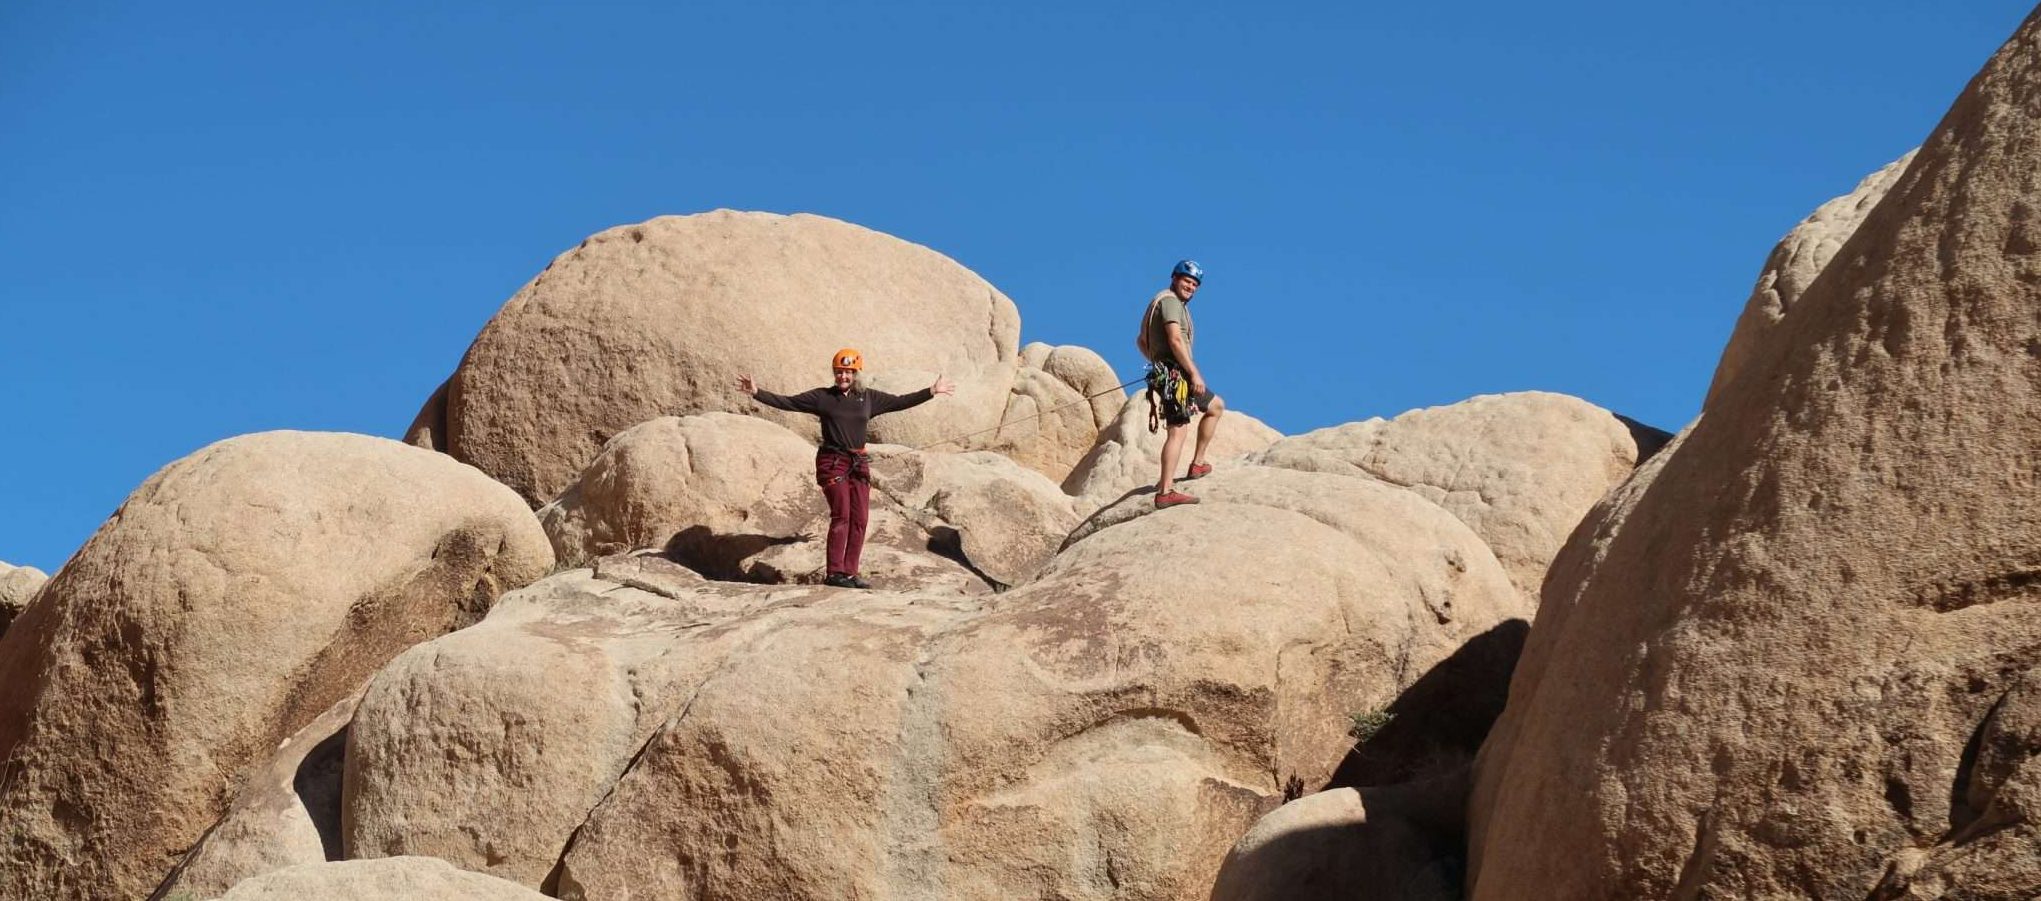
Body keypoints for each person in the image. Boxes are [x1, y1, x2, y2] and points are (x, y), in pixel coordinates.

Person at [737, 348, 955, 589]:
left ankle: (849, 573)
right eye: (839, 372)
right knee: (842, 515)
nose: (843, 376)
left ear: (856, 373)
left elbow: (899, 402)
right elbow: (789, 402)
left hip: (858, 463)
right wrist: (757, 393)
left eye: (848, 372)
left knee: (860, 518)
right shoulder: (823, 397)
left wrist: (931, 392)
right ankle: (834, 573)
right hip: (832, 462)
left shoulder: (869, 398)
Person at [1136, 259, 1226, 508]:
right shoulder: (1170, 303)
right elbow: (1175, 340)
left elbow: (1141, 341)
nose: (1191, 287)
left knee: (1216, 407)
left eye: (1195, 284)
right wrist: (1192, 373)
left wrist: (1158, 363)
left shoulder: (1161, 302)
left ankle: (1197, 464)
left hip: (1174, 376)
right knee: (1177, 431)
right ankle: (1165, 491)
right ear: (1174, 278)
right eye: (1187, 281)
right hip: (1179, 378)